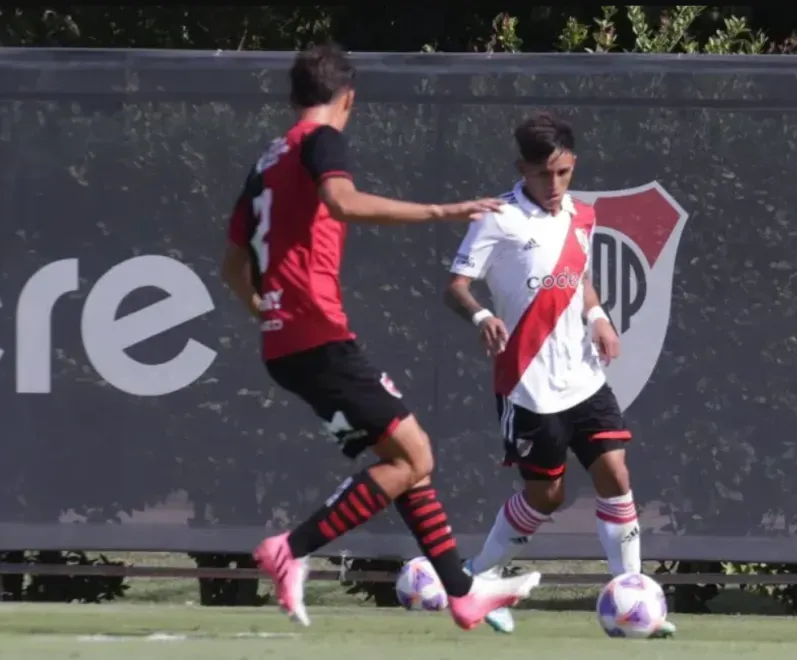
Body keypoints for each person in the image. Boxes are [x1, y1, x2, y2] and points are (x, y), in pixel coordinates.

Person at [219, 42, 541, 631]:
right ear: (348, 98)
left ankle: (463, 593)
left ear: (294, 96)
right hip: (318, 334)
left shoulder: (267, 159)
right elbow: (341, 202)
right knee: (415, 455)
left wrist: (264, 310)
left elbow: (233, 263)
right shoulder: (321, 140)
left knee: (406, 460)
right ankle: (291, 549)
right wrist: (442, 212)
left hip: (285, 343)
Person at [444, 110, 675, 636]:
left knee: (615, 474)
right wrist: (480, 316)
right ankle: (479, 579)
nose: (554, 184)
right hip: (528, 386)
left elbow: (581, 279)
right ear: (522, 169)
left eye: (563, 173)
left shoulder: (581, 215)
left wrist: (598, 318)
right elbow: (455, 287)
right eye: (543, 174)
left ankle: (633, 597)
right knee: (546, 496)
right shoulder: (498, 218)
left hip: (584, 377)